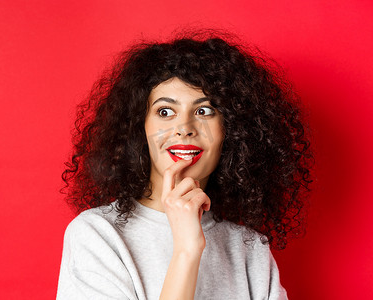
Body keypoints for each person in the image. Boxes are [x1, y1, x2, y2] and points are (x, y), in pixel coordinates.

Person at [56, 30, 313, 299]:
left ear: (232, 130)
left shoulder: (248, 246)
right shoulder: (98, 235)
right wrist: (187, 250)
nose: (184, 128)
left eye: (204, 111)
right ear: (139, 127)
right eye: (165, 112)